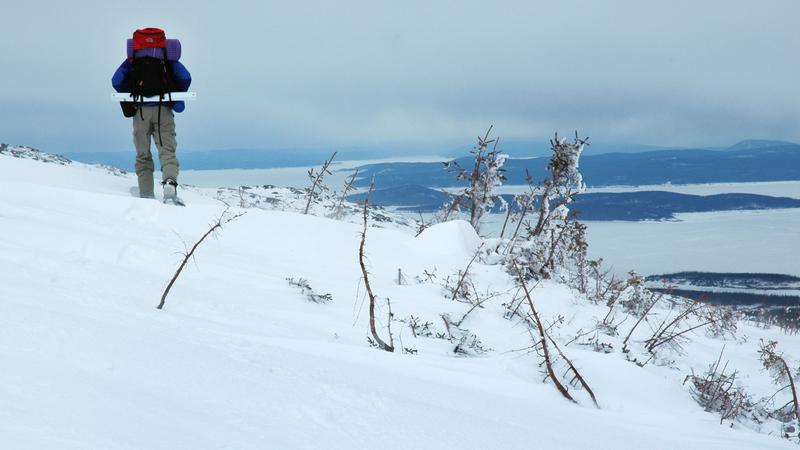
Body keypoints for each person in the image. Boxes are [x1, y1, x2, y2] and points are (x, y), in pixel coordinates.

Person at [111, 28, 191, 201]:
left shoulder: (133, 59)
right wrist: (174, 96)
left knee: (143, 155)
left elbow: (116, 80)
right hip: (164, 110)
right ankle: (169, 186)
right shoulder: (167, 57)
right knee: (167, 152)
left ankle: (146, 195)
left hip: (140, 112)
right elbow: (185, 77)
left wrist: (130, 97)